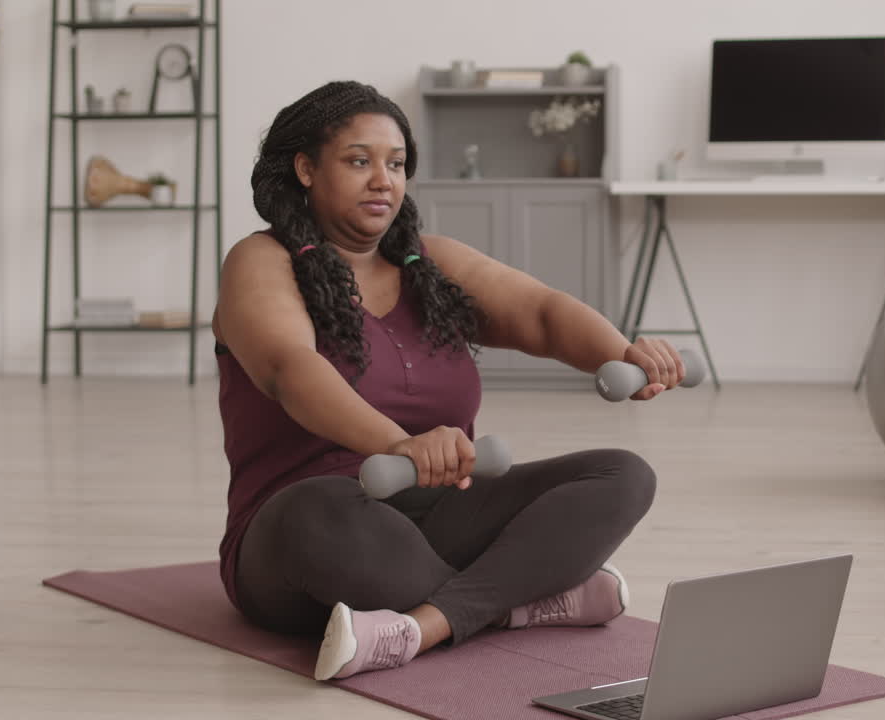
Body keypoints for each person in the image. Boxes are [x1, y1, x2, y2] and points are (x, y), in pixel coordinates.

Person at [213, 80, 686, 682]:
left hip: (439, 516)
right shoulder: (260, 261)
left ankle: (427, 623)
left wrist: (624, 352)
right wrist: (397, 444)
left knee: (621, 474)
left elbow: (540, 312)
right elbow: (288, 368)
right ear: (306, 168)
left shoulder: (428, 263)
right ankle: (521, 599)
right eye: (360, 161)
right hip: (310, 535)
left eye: (397, 164)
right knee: (320, 509)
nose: (384, 179)